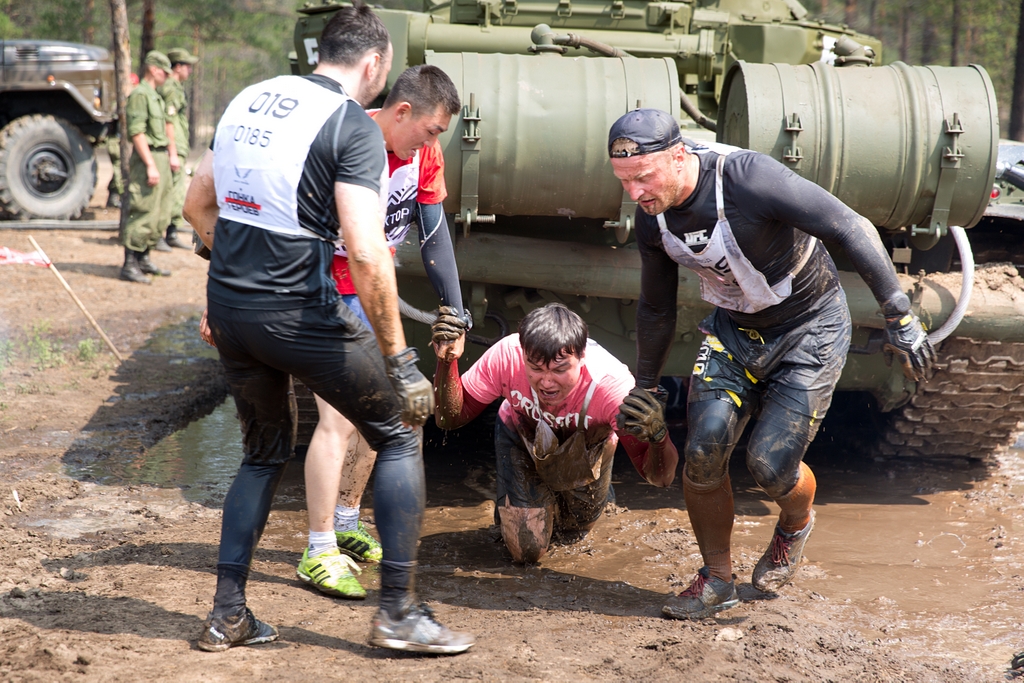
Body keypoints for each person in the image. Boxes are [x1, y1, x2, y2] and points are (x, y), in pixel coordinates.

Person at [182, 6, 474, 654]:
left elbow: (197, 204)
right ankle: (397, 614)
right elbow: (368, 254)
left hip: (231, 307)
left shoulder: (248, 100)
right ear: (372, 64)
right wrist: (399, 359)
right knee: (400, 427)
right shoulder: (351, 125)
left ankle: (227, 613)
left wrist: (230, 269)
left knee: (263, 451)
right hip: (299, 309)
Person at [606, 109, 936, 620]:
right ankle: (717, 580)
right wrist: (645, 386)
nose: (635, 194)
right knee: (702, 453)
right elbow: (655, 305)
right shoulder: (653, 216)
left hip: (810, 328)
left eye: (643, 177)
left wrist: (898, 311)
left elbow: (849, 225)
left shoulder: (749, 180)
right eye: (624, 181)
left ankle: (796, 523)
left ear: (679, 155)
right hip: (735, 333)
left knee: (769, 466)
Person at [297, 64, 468, 599]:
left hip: (374, 289)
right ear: (401, 112)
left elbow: (434, 234)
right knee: (338, 418)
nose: (432, 141)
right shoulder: (349, 137)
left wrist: (455, 310)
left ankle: (346, 522)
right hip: (324, 286)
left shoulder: (425, 155)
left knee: (390, 408)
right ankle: (317, 550)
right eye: (431, 129)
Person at [431, 302, 679, 563]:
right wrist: (447, 361)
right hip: (521, 435)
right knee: (526, 551)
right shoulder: (506, 354)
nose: (547, 382)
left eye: (560, 370)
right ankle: (520, 505)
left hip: (588, 445)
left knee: (574, 533)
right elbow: (449, 419)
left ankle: (597, 496)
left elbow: (660, 479)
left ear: (581, 358)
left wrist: (658, 436)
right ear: (522, 354)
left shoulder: (612, 389)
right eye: (536, 369)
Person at [120, 50, 177, 284]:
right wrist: (150, 165)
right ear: (154, 69)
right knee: (142, 210)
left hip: (160, 157)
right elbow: (137, 132)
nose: (167, 76)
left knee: (159, 213)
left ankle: (144, 258)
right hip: (148, 159)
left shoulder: (155, 96)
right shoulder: (141, 95)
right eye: (165, 72)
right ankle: (129, 264)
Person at [156, 47, 199, 251]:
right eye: (187, 66)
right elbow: (168, 122)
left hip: (178, 146)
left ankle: (171, 233)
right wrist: (172, 152)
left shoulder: (174, 87)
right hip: (174, 147)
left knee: (176, 191)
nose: (190, 71)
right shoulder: (172, 88)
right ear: (178, 67)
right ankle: (163, 234)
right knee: (172, 192)